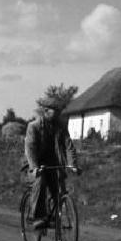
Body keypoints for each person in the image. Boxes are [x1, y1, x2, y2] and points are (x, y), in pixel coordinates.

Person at [25, 96, 80, 229]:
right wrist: (34, 167)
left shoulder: (60, 127)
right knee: (40, 181)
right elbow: (30, 148)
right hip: (36, 162)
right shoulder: (34, 126)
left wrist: (72, 164)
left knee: (58, 188)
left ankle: (57, 216)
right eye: (52, 110)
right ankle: (37, 217)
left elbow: (68, 146)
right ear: (45, 110)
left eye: (57, 111)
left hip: (53, 162)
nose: (55, 113)